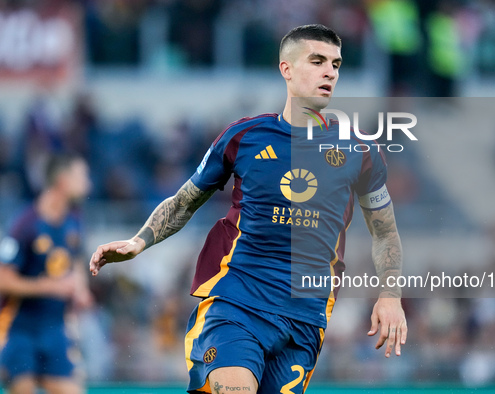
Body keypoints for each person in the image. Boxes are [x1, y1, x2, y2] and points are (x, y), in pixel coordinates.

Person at [89, 24, 407, 394]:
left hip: (305, 319)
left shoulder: (361, 153)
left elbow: (385, 231)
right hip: (237, 303)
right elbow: (185, 201)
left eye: (335, 64)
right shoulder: (244, 136)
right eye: (317, 61)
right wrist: (139, 241)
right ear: (286, 69)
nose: (329, 72)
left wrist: (390, 296)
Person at [0, 153, 93, 394]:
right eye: (82, 176)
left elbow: (76, 262)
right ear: (63, 181)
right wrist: (50, 287)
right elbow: (3, 279)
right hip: (19, 329)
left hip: (55, 329)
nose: (88, 184)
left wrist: (80, 289)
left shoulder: (75, 220)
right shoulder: (24, 224)